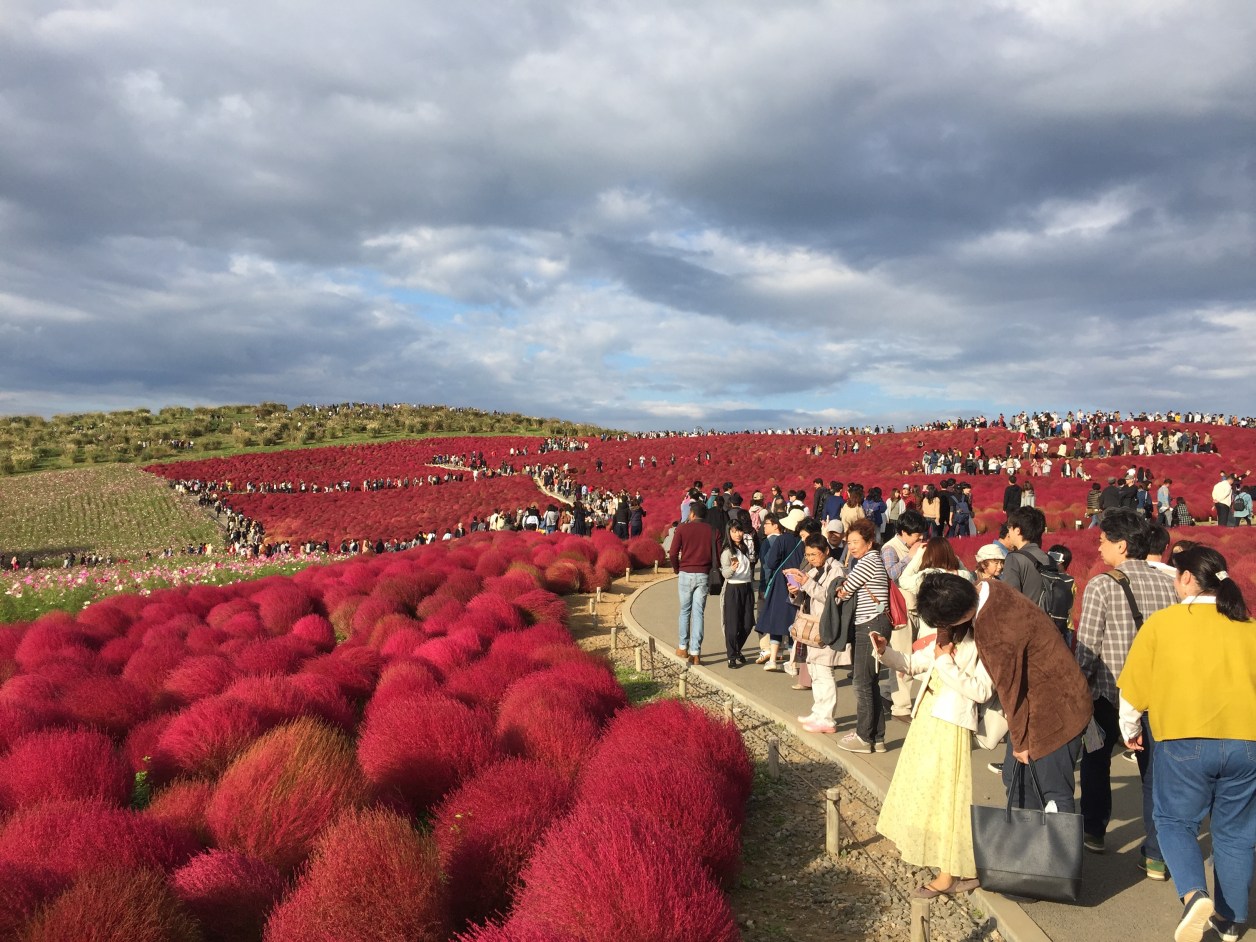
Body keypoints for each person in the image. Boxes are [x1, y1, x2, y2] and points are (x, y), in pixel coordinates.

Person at [1117, 546, 1256, 942]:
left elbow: (1133, 690)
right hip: (1247, 742)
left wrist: (1129, 730)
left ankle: (1195, 895)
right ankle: (1230, 922)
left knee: (1175, 821)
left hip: (1183, 738)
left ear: (1188, 579)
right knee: (1236, 833)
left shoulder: (1163, 624)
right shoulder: (1250, 627)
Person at [920, 571, 1091, 814]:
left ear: (957, 615)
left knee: (1051, 792)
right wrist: (945, 634)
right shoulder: (986, 587)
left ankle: (1060, 850)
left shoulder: (996, 629)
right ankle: (1027, 844)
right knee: (1016, 781)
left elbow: (1010, 690)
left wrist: (1020, 742)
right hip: (1038, 704)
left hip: (1056, 710)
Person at [874, 572, 994, 898]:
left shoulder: (984, 636)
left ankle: (950, 872)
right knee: (925, 791)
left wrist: (945, 664)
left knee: (947, 799)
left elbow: (982, 691)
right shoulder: (948, 632)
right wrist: (885, 652)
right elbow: (914, 664)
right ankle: (951, 865)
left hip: (952, 723)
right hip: (928, 716)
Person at [1073, 510, 1176, 876]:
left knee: (1096, 763)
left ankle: (1094, 832)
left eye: (1102, 540)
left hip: (1109, 693)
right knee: (1155, 776)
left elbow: (1087, 648)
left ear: (1121, 544)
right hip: (1157, 696)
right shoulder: (1169, 584)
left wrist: (1077, 689)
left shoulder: (1102, 585)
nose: (1098, 547)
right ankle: (1156, 855)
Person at [835, 518, 890, 754]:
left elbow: (846, 591)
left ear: (869, 542)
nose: (852, 546)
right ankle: (877, 738)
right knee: (871, 682)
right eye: (849, 542)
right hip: (875, 624)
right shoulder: (872, 559)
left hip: (869, 626)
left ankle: (864, 737)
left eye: (856, 542)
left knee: (861, 682)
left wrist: (840, 589)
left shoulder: (868, 562)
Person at [782, 535, 845, 733]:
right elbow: (806, 595)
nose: (810, 558)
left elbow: (831, 597)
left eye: (814, 554)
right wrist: (794, 590)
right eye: (807, 555)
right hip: (812, 626)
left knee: (825, 671)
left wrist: (807, 582)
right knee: (815, 670)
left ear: (826, 551)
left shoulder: (837, 569)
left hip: (826, 626)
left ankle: (827, 718)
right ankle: (818, 711)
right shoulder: (812, 569)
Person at [880, 510, 929, 719]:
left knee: (915, 656)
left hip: (917, 608)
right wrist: (910, 556)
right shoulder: (890, 548)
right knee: (901, 658)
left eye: (920, 533)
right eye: (915, 534)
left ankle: (886, 693)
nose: (919, 538)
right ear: (902, 532)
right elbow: (891, 574)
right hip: (900, 610)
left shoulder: (915, 545)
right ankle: (901, 707)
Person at [669, 501, 718, 666]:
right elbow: (716, 554)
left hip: (686, 573)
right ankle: (696, 653)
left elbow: (673, 552)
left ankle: (683, 647)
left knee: (685, 611)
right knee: (698, 613)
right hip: (703, 574)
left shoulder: (682, 528)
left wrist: (677, 569)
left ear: (692, 514)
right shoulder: (713, 530)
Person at [754, 512, 802, 671]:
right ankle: (793, 662)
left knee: (776, 619)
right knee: (793, 621)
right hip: (798, 582)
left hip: (781, 582)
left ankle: (773, 659)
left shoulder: (782, 539)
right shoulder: (803, 541)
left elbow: (770, 561)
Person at [719, 520, 756, 669]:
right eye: (734, 531)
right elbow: (725, 573)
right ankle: (731, 655)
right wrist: (732, 569)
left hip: (747, 588)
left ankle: (737, 649)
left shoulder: (744, 548)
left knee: (747, 624)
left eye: (739, 531)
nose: (737, 534)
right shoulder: (728, 551)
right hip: (733, 589)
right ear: (729, 533)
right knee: (732, 625)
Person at [999, 506, 1051, 604]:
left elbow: (1010, 599)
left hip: (1026, 617)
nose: (1008, 533)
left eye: (1009, 527)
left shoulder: (1014, 558)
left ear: (1018, 530)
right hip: (1049, 618)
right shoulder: (1050, 559)